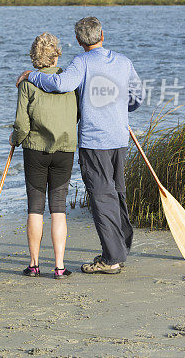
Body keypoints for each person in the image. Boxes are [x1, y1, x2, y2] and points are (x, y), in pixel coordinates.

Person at [16, 17, 143, 275]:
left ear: (78, 40)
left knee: (101, 196)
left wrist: (33, 75)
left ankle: (111, 258)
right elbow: (137, 97)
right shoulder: (123, 61)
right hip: (119, 138)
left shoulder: (81, 63)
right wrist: (121, 108)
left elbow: (61, 84)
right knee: (117, 192)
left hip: (95, 141)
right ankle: (120, 249)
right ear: (102, 35)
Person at [10, 32, 78, 279]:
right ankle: (59, 266)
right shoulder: (69, 80)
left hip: (35, 150)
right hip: (65, 149)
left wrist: (15, 139)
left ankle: (34, 264)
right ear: (56, 54)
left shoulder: (27, 83)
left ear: (34, 57)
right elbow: (77, 114)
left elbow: (21, 124)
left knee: (35, 208)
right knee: (58, 208)